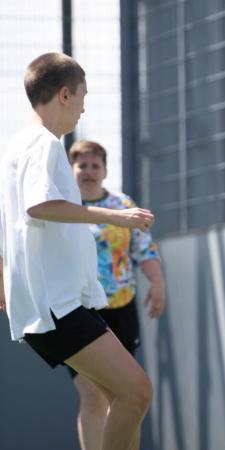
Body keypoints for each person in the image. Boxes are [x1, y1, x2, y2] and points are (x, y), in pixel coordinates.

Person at [0, 53, 154, 450]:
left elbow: (13, 223)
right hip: (58, 308)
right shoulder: (45, 144)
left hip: (52, 305)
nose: (85, 106)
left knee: (123, 394)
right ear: (65, 94)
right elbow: (37, 206)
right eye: (83, 95)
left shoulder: (17, 144)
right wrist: (116, 216)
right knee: (136, 392)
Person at [67, 140, 166, 450]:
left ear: (106, 170)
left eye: (95, 165)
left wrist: (157, 282)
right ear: (72, 170)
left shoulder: (123, 205)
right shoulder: (64, 209)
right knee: (92, 391)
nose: (89, 171)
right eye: (82, 165)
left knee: (124, 393)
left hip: (120, 307)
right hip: (80, 312)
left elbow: (144, 249)